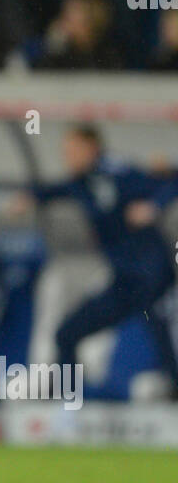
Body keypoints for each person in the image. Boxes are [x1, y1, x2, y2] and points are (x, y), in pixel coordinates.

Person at [19, 125, 178, 395]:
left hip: (154, 278)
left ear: (92, 148)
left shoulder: (119, 172)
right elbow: (54, 190)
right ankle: (68, 409)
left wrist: (154, 205)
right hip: (124, 280)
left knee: (168, 346)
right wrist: (29, 198)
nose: (67, 157)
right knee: (66, 334)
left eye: (72, 151)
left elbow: (167, 183)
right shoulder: (80, 183)